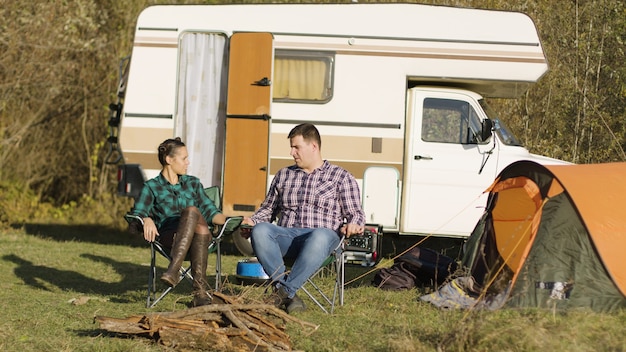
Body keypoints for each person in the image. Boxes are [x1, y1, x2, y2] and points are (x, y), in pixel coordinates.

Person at [241, 123, 365, 313]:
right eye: (291, 147)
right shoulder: (284, 175)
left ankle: (281, 292)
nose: (292, 152)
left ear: (313, 146)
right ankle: (287, 295)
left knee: (321, 235)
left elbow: (355, 213)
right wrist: (253, 221)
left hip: (322, 239)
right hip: (287, 236)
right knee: (260, 230)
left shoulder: (341, 177)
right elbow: (267, 210)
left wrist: (354, 224)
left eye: (296, 147)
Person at [129, 137, 227, 307]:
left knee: (193, 212)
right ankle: (200, 293)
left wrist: (237, 219)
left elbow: (211, 212)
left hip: (198, 238)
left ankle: (173, 270)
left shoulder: (193, 184)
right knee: (197, 220)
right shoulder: (152, 187)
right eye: (184, 158)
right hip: (170, 236)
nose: (188, 162)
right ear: (169, 160)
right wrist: (147, 218)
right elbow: (137, 213)